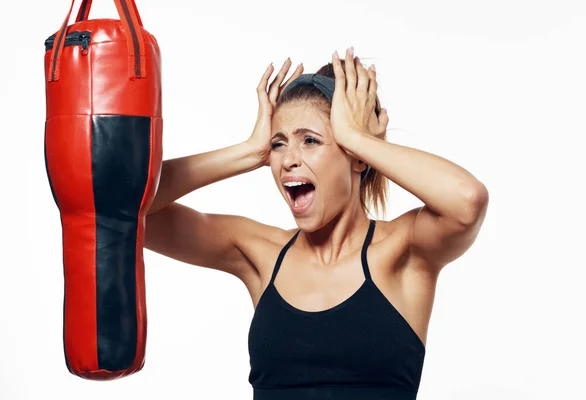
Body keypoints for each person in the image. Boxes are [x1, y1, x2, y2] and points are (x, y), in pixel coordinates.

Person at [145, 47, 489, 400]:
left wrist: (358, 139)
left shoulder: (404, 251)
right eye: (278, 144)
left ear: (357, 158)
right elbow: (128, 209)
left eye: (310, 140)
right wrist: (249, 151)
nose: (289, 160)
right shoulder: (260, 253)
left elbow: (467, 200)